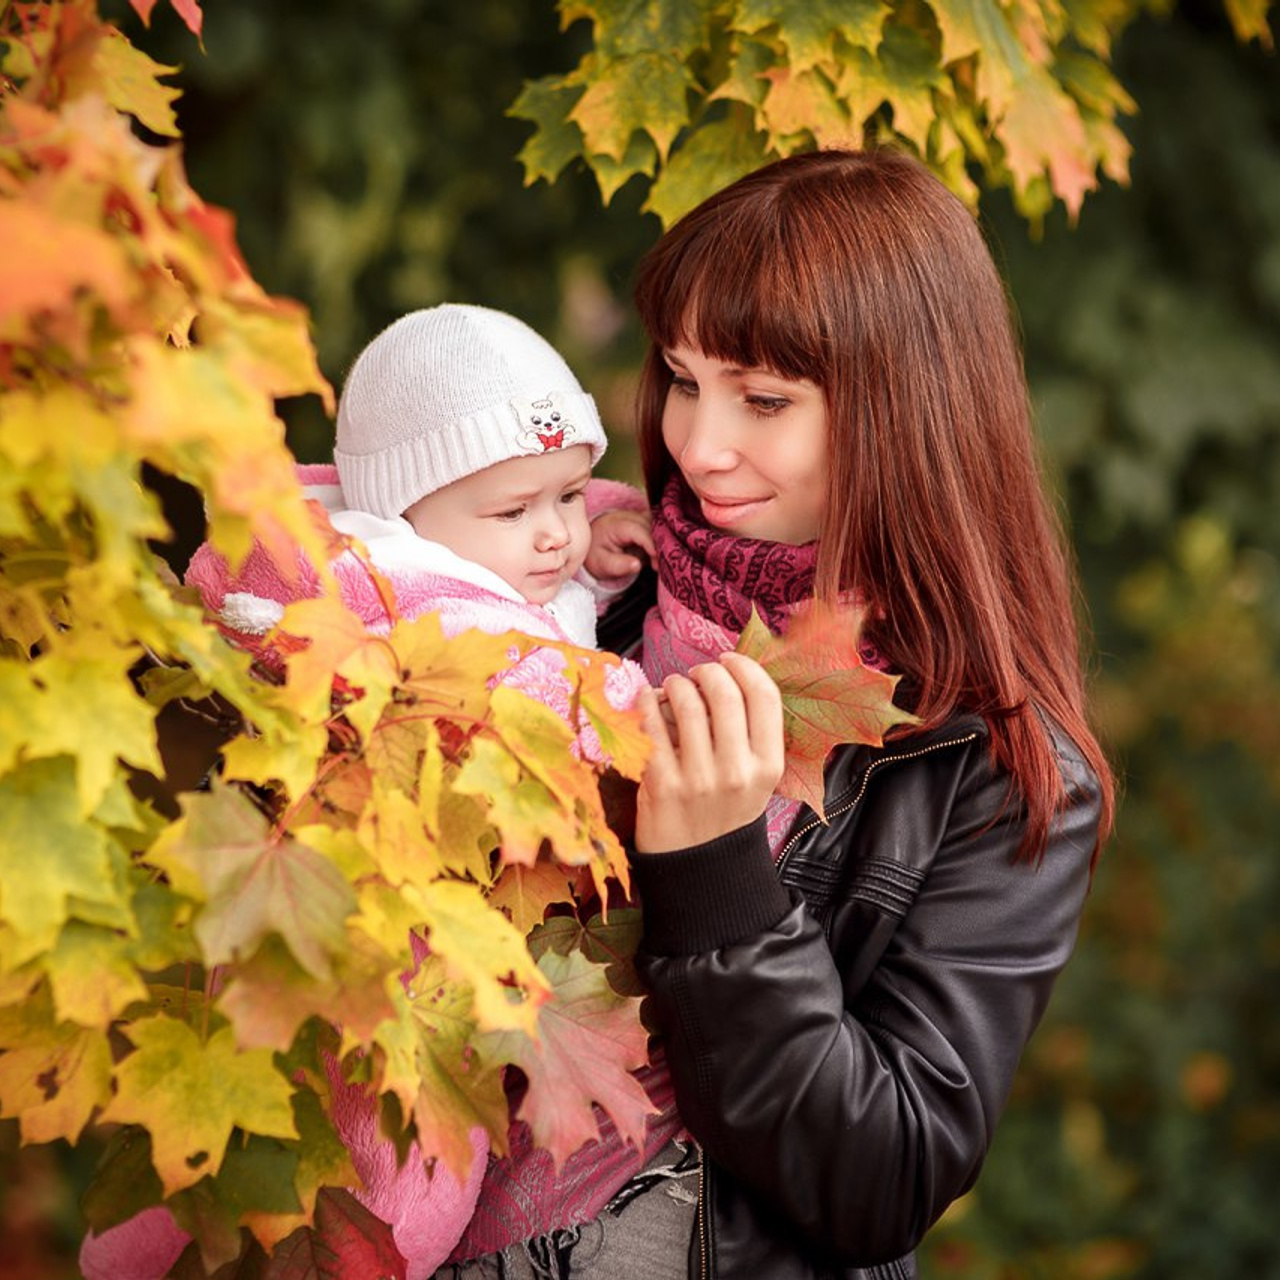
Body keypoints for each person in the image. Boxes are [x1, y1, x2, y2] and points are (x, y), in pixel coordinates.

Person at [441, 148, 1115, 1278]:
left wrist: (714, 879)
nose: (700, 445)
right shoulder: (574, 597)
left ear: (907, 410)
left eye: (762, 399)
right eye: (682, 377)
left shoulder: (987, 762)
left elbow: (882, 1177)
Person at [80, 304, 655, 1280]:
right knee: (395, 1167)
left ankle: (138, 1246)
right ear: (402, 513)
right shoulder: (389, 592)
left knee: (258, 1123)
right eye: (517, 511)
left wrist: (595, 523)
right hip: (396, 950)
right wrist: (655, 706)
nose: (552, 533)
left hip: (393, 925)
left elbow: (532, 514)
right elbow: (556, 692)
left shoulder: (479, 542)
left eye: (564, 493)